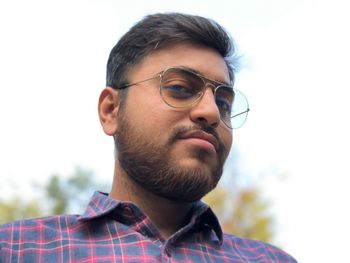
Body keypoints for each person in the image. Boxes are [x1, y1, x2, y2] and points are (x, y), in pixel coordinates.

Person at [0, 13, 296, 262]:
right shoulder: (16, 249)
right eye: (180, 88)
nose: (211, 112)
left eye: (224, 104)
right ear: (111, 111)